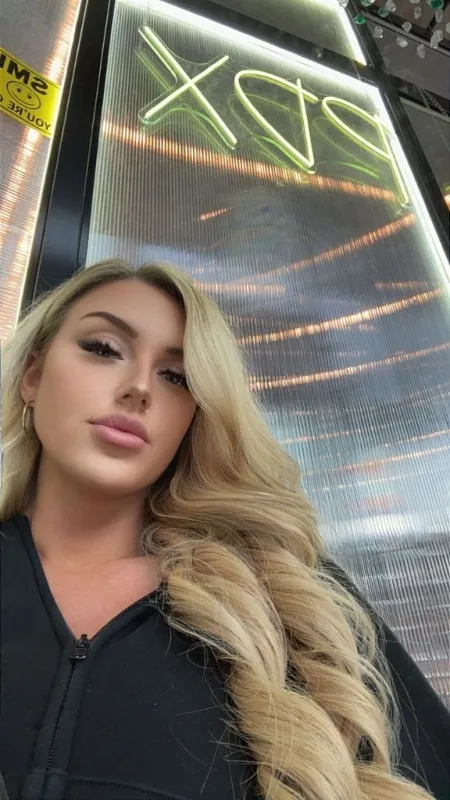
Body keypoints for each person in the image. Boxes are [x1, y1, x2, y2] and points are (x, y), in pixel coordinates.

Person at [0, 259, 448, 800]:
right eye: (103, 348)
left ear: (194, 415)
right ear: (33, 377)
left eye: (176, 377)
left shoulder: (285, 598)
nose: (138, 388)